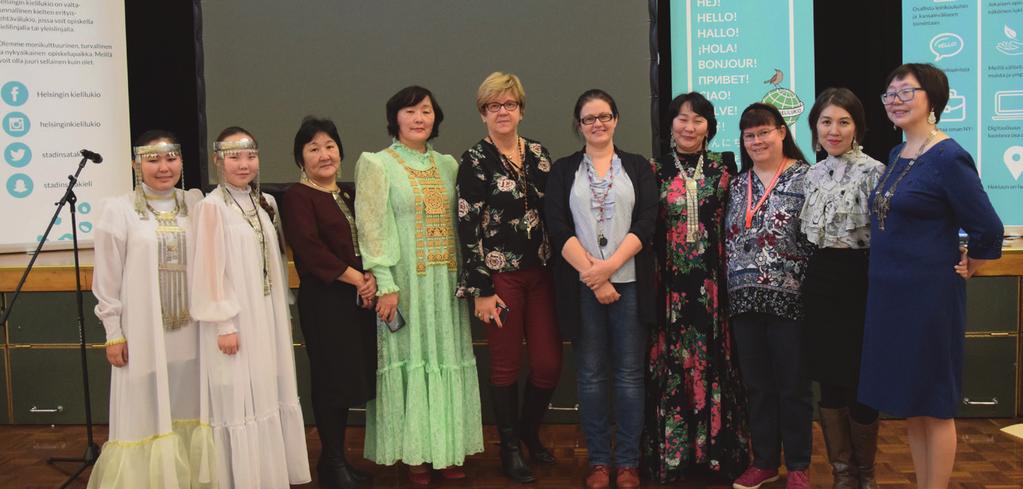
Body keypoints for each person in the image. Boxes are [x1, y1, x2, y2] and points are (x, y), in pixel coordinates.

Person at [859, 63, 1003, 489]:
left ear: (933, 100)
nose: (895, 100)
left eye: (906, 92)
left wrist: (972, 261)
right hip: (889, 295)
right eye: (889, 93)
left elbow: (988, 228)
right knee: (913, 402)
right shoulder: (896, 154)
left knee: (935, 404)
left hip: (929, 297)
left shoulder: (949, 156)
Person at [355, 85, 484, 486]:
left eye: (426, 111)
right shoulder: (377, 163)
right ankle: (415, 454)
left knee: (446, 356)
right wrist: (385, 281)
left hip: (445, 284)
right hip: (405, 283)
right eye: (410, 111)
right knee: (411, 358)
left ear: (436, 117)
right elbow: (372, 226)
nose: (418, 118)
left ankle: (446, 449)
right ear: (395, 118)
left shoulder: (448, 165)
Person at [545, 89, 657, 489]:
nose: (597, 123)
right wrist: (593, 277)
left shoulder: (638, 167)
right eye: (589, 118)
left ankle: (627, 462)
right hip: (582, 287)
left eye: (604, 116)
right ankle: (597, 461)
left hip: (629, 284)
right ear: (578, 124)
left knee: (629, 376)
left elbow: (646, 222)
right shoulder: (563, 170)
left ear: (616, 119)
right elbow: (557, 226)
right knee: (591, 376)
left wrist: (608, 269)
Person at [89, 131, 215, 489]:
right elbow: (108, 277)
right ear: (136, 164)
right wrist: (114, 332)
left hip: (193, 329)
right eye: (153, 159)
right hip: (143, 330)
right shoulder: (118, 209)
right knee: (144, 407)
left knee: (189, 404)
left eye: (171, 158)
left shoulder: (196, 204)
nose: (164, 167)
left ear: (181, 162)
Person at [190, 127, 311, 488]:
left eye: (250, 156)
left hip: (266, 315)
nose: (244, 164)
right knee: (239, 398)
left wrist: (281, 312)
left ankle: (268, 475)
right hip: (235, 318)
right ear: (218, 161)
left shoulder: (266, 204)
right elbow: (210, 270)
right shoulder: (210, 208)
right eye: (234, 156)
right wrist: (224, 322)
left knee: (268, 391)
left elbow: (273, 263)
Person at [455, 72, 560, 484]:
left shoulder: (538, 153)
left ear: (521, 110)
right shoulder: (474, 160)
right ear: (483, 113)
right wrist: (481, 289)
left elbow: (555, 215)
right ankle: (509, 447)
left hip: (542, 274)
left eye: (509, 104)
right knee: (505, 365)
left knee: (549, 365)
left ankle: (530, 431)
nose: (502, 112)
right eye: (493, 105)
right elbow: (467, 226)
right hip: (500, 279)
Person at [644, 92, 750, 483]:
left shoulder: (726, 165)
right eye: (682, 119)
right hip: (669, 285)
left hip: (714, 285)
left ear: (710, 126)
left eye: (698, 120)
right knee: (672, 361)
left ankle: (715, 456)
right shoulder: (652, 170)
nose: (689, 127)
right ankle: (674, 456)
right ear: (670, 123)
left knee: (714, 360)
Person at [281, 117, 377, 489]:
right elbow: (310, 251)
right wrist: (359, 279)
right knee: (329, 380)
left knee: (349, 377)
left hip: (355, 300)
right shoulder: (297, 197)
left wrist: (370, 278)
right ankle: (332, 463)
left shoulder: (347, 194)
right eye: (314, 148)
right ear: (300, 158)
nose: (325, 154)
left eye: (330, 146)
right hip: (325, 301)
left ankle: (337, 461)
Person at [725, 103, 814, 489]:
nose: (757, 140)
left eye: (764, 132)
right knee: (757, 387)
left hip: (790, 301)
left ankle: (797, 464)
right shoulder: (736, 184)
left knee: (792, 385)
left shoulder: (807, 178)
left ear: (781, 131)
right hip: (743, 301)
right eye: (749, 135)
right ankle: (764, 461)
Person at [801, 88, 884, 489]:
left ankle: (866, 473)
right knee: (829, 377)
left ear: (858, 127)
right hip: (819, 280)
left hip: (861, 280)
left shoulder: (876, 173)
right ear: (815, 128)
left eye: (843, 121)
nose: (834, 130)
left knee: (860, 377)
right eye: (826, 122)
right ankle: (842, 472)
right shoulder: (810, 174)